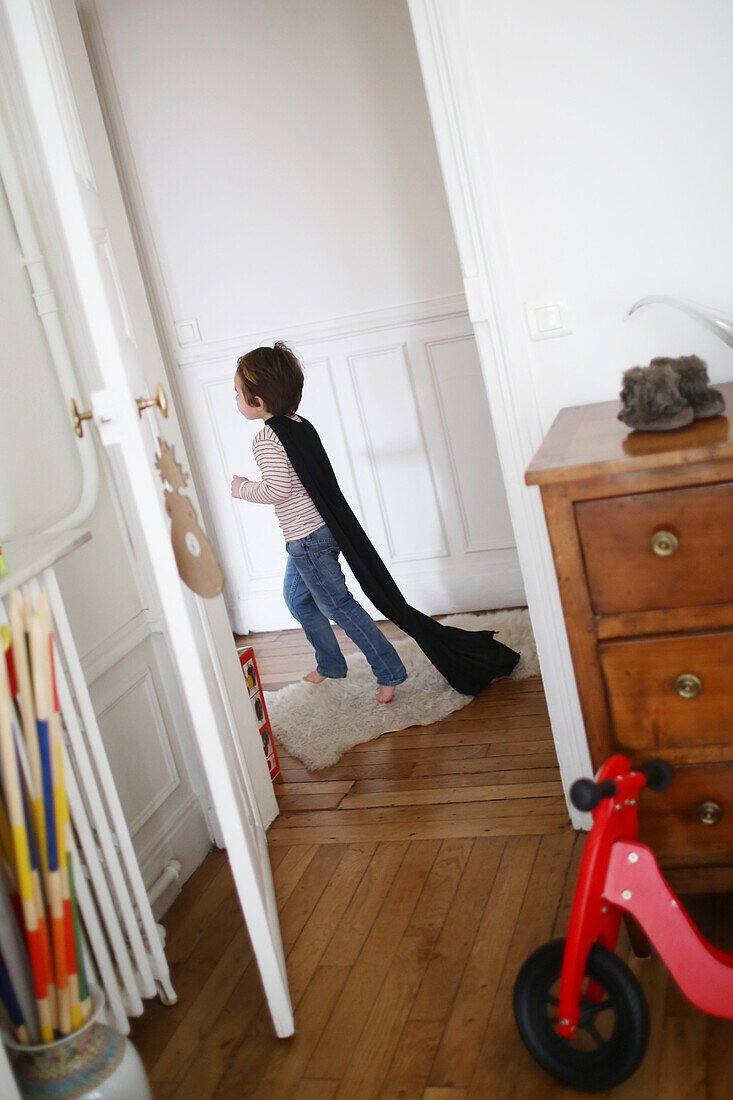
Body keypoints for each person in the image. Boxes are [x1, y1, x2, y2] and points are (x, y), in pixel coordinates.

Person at [231, 342, 407, 703]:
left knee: (339, 606)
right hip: (319, 533)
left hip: (307, 540)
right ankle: (330, 663)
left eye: (238, 393)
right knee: (297, 600)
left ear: (258, 401)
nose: (235, 399)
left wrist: (243, 488)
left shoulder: (266, 438)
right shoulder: (299, 425)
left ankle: (389, 670)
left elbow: (278, 489)